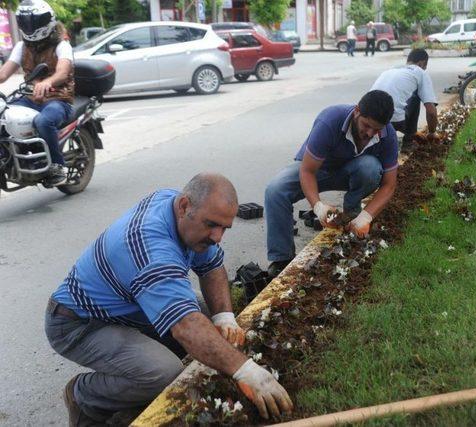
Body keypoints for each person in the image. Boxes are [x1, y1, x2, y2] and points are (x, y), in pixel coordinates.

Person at [45, 173, 293, 425]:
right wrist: (247, 371)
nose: (217, 237)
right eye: (211, 225)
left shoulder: (175, 206)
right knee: (162, 373)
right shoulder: (150, 247)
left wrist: (224, 318)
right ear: (184, 206)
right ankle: (84, 395)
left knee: (210, 319)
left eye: (224, 228)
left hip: (130, 306)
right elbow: (187, 327)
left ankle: (135, 383)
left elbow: (211, 267)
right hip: (81, 324)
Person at [265, 90, 398, 277]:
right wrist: (318, 206)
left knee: (370, 168)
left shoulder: (387, 135)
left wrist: (366, 216)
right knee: (275, 190)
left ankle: (352, 218)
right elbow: (307, 170)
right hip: (318, 169)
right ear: (357, 111)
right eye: (366, 126)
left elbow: (389, 185)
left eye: (376, 129)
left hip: (350, 171)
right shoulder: (330, 120)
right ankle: (281, 259)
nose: (370, 133)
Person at [0, 0, 74, 186]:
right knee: (4, 116)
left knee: (43, 121)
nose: (30, 27)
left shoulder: (62, 45)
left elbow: (63, 71)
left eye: (34, 22)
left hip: (58, 98)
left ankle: (58, 166)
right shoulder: (22, 46)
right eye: (26, 23)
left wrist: (48, 82)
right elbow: (3, 74)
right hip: (30, 97)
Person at [370, 48, 438, 149]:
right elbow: (431, 111)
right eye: (425, 67)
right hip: (393, 122)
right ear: (421, 64)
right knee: (416, 95)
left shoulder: (392, 69)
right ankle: (408, 142)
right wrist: (432, 132)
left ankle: (385, 136)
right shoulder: (420, 72)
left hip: (369, 118)